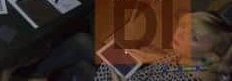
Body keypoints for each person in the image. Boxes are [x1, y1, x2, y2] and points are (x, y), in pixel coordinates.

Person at [95, 11, 232, 81]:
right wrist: (150, 56)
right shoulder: (200, 60)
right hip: (143, 73)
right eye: (183, 26)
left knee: (81, 42)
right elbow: (173, 63)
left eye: (193, 37)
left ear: (211, 56)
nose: (180, 33)